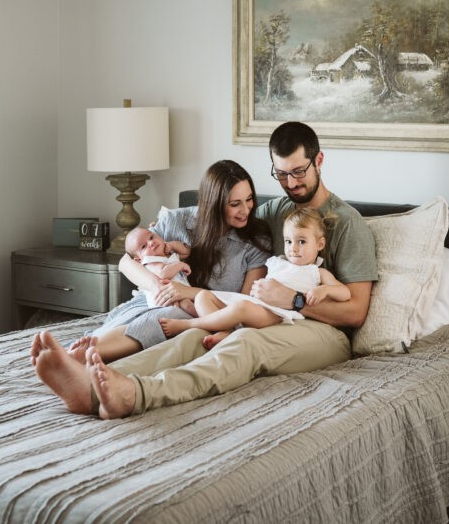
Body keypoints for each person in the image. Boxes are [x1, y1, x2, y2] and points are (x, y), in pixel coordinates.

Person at [31, 122, 377, 419]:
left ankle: (136, 394)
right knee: (197, 336)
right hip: (266, 314)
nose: (291, 183)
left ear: (318, 160)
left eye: (299, 172)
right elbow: (216, 209)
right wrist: (157, 238)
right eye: (281, 174)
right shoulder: (275, 211)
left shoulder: (348, 223)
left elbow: (356, 312)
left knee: (244, 343)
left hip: (322, 332)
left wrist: (295, 300)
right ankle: (94, 380)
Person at [45, 159, 271, 365]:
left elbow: (244, 304)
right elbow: (127, 262)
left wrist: (185, 292)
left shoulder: (255, 241)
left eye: (249, 199)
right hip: (154, 297)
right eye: (235, 204)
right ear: (213, 203)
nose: (246, 210)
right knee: (127, 314)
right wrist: (158, 287)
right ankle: (86, 347)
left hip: (202, 312)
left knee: (159, 320)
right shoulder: (175, 220)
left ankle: (85, 356)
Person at [159, 207, 350, 340]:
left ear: (320, 244)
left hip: (277, 314)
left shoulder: (317, 272)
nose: (293, 248)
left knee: (240, 307)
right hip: (255, 304)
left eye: (301, 241)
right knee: (202, 297)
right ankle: (225, 332)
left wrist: (324, 291)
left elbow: (345, 293)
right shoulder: (278, 261)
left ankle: (191, 325)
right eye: (288, 241)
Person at [123, 226, 196, 313]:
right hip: (165, 300)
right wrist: (180, 265)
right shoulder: (149, 261)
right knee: (187, 305)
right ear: (139, 259)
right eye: (143, 247)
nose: (151, 242)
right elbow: (163, 274)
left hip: (180, 293)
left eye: (151, 237)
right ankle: (202, 321)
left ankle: (207, 320)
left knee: (197, 303)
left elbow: (187, 252)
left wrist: (171, 245)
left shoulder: (167, 255)